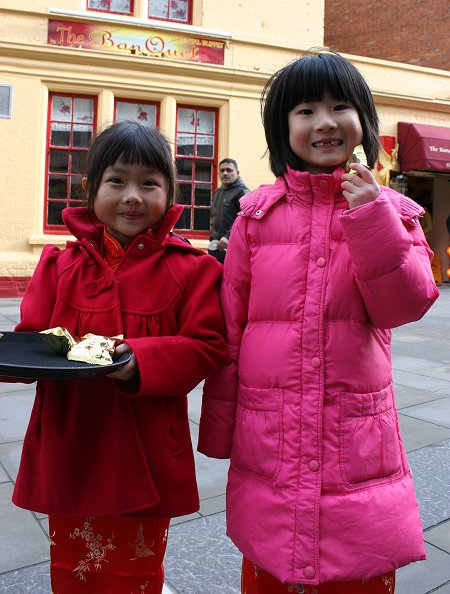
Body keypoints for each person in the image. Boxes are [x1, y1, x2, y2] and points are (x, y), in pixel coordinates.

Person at [198, 50, 440, 593]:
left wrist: (372, 216)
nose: (325, 122)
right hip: (270, 438)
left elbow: (405, 304)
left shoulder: (396, 213)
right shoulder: (255, 217)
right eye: (305, 111)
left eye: (339, 106)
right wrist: (220, 426)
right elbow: (231, 328)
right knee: (272, 566)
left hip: (354, 437)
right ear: (283, 127)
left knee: (355, 569)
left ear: (364, 122)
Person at [7, 121, 227, 593]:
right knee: (73, 566)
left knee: (136, 571)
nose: (132, 196)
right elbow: (33, 340)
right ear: (90, 189)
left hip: (144, 442)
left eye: (149, 183)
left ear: (170, 192)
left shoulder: (193, 269)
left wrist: (139, 361)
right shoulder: (58, 264)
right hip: (73, 437)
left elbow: (207, 345)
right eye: (117, 181)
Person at [208, 158, 250, 263]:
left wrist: (228, 236)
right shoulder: (217, 192)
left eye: (229, 170)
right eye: (222, 170)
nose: (225, 173)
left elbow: (245, 218)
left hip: (233, 248)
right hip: (215, 246)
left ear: (237, 172)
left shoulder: (243, 192)